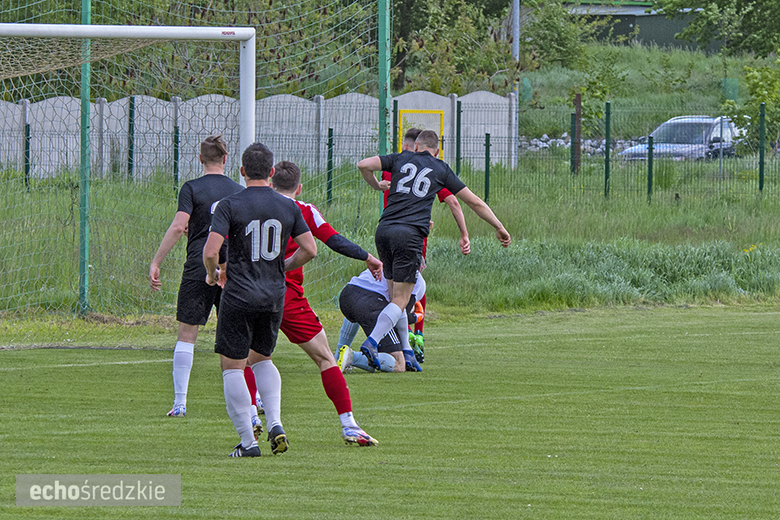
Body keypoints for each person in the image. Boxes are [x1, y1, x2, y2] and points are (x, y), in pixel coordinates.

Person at [357, 129, 511, 370]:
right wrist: (499, 227)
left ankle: (406, 350)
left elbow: (363, 165)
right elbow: (473, 202)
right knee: (401, 299)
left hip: (384, 231)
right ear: (437, 151)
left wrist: (377, 185)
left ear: (416, 146)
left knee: (395, 298)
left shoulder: (400, 158)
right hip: (409, 236)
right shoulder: (440, 168)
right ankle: (372, 342)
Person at [252, 160, 380, 446]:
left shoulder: (252, 206)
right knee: (324, 358)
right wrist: (367, 257)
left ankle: (251, 415)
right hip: (287, 294)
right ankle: (349, 425)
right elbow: (332, 240)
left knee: (249, 359)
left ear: (271, 182)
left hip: (251, 291)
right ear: (299, 188)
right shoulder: (304, 210)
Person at [204, 143, 317, 458]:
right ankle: (275, 422)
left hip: (239, 294)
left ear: (241, 171)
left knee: (232, 367)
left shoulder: (229, 204)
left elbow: (211, 251)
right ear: (271, 172)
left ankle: (248, 442)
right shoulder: (288, 206)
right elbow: (310, 249)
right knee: (263, 359)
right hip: (273, 295)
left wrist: (213, 275)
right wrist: (283, 266)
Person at [149, 135, 243, 418]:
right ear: (225, 159)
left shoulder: (191, 188)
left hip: (198, 265)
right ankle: (256, 401)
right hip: (231, 269)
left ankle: (180, 403)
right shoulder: (238, 191)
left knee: (187, 334)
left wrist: (156, 261)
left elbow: (179, 226)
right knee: (238, 335)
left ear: (200, 159)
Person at [382, 128, 471, 356]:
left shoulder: (392, 167)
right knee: (414, 287)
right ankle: (412, 336)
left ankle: (398, 341)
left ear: (410, 147)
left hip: (386, 233)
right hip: (411, 236)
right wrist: (464, 234)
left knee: (394, 291)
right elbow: (453, 201)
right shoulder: (429, 170)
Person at [336, 269, 426, 373]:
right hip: (371, 305)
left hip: (347, 295)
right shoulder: (418, 281)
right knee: (399, 363)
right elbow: (399, 313)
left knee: (357, 312)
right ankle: (352, 356)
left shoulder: (384, 264)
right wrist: (415, 317)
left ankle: (338, 355)